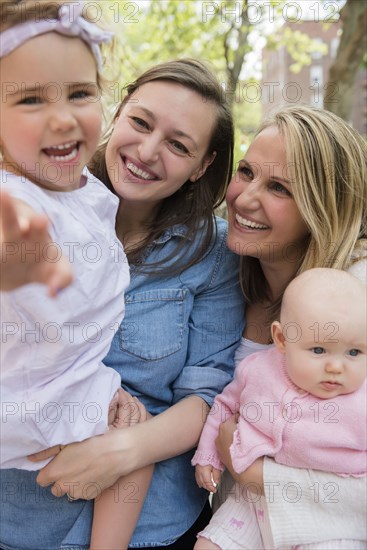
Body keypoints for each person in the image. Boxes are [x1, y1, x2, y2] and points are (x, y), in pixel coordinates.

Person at [0, 49, 245, 550]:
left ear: (204, 165)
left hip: (149, 521)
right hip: (16, 511)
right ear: (116, 115)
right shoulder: (37, 198)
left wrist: (124, 451)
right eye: (140, 122)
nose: (149, 150)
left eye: (178, 144)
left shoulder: (216, 254)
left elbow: (211, 394)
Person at [0, 1, 153, 549]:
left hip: (70, 375)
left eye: (80, 93)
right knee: (132, 457)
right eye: (31, 99)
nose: (62, 117)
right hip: (30, 396)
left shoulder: (89, 191)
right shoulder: (14, 197)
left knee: (133, 450)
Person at [213, 104, 367, 549]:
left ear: (323, 206)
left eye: (278, 187)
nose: (243, 198)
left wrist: (258, 475)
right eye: (246, 172)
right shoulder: (228, 275)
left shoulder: (356, 299)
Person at [193, 267, 367, 549]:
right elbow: (225, 405)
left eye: (354, 352)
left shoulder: (361, 401)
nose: (336, 367)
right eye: (319, 350)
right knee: (209, 545)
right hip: (251, 503)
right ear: (282, 340)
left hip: (329, 521)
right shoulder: (259, 369)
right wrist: (208, 454)